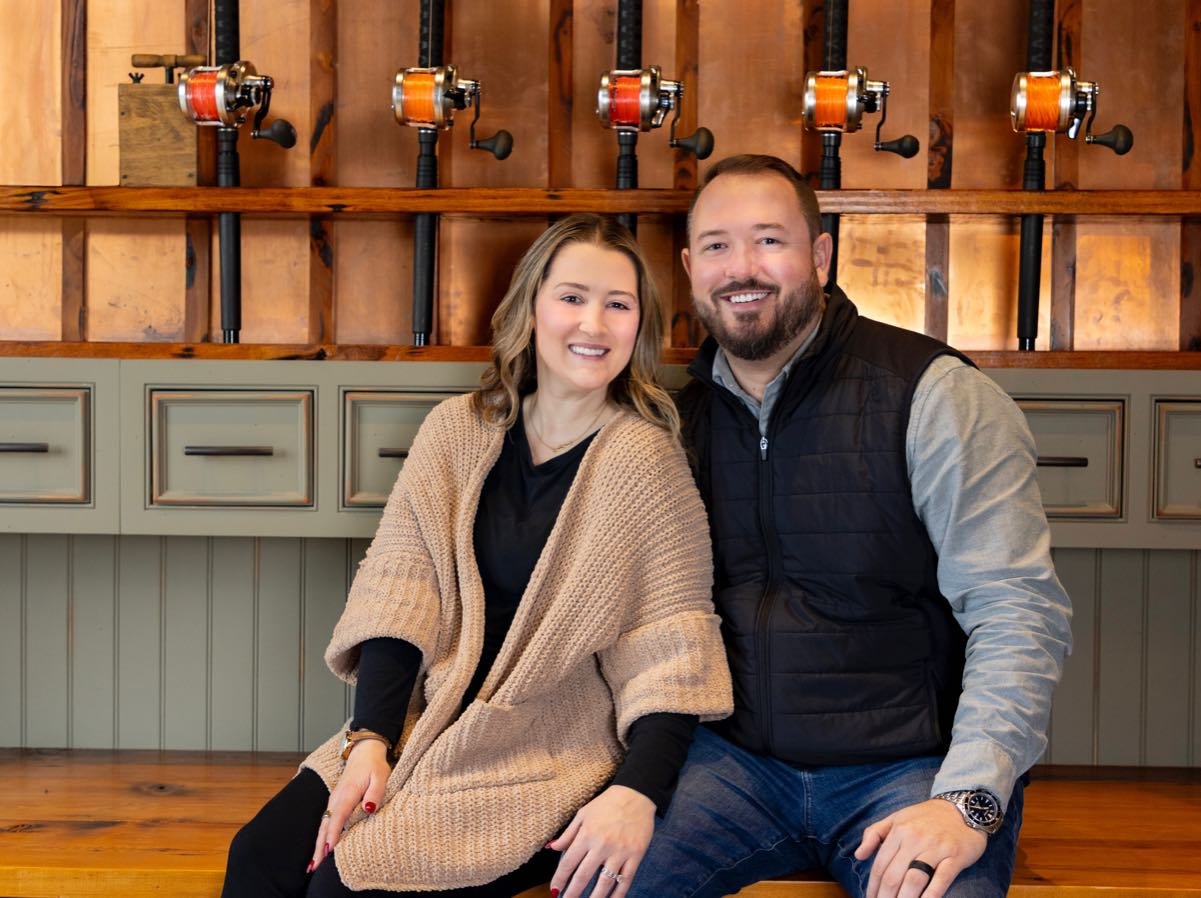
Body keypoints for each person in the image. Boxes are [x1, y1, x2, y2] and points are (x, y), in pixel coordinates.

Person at [222, 213, 733, 898]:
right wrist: (369, 739)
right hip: (421, 721)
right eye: (572, 297)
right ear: (531, 307)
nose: (594, 323)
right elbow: (402, 591)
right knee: (260, 856)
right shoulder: (457, 430)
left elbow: (668, 653)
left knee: (347, 887)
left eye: (618, 305)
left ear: (639, 327)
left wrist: (637, 793)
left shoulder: (645, 464)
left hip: (546, 752)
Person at [626, 155, 1073, 898]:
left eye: (770, 241)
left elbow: (1015, 608)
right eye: (716, 246)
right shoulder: (674, 422)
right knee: (603, 881)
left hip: (908, 769)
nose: (742, 268)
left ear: (820, 255)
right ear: (688, 267)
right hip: (727, 767)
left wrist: (969, 797)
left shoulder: (934, 396)